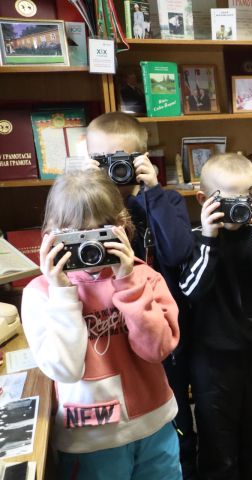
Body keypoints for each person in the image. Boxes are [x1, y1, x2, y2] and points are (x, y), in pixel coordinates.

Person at [21, 170, 182, 479]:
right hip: (90, 440)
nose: (88, 248)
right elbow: (65, 370)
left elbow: (157, 350)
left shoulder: (145, 278)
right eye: (74, 235)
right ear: (51, 236)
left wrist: (128, 284)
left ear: (122, 228)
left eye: (99, 233)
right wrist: (62, 292)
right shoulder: (41, 294)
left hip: (154, 424)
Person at [83, 112, 197, 479]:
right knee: (122, 407)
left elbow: (178, 252)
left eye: (123, 160)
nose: (114, 170)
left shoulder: (166, 201)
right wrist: (92, 190)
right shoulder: (90, 210)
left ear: (144, 159)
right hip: (108, 331)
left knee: (171, 405)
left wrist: (152, 194)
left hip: (159, 325)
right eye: (103, 162)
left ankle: (183, 465)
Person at [179, 153, 252, 479]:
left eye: (248, 196)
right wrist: (209, 238)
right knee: (218, 441)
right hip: (213, 361)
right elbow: (191, 291)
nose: (239, 207)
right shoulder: (194, 240)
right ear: (203, 200)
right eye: (228, 200)